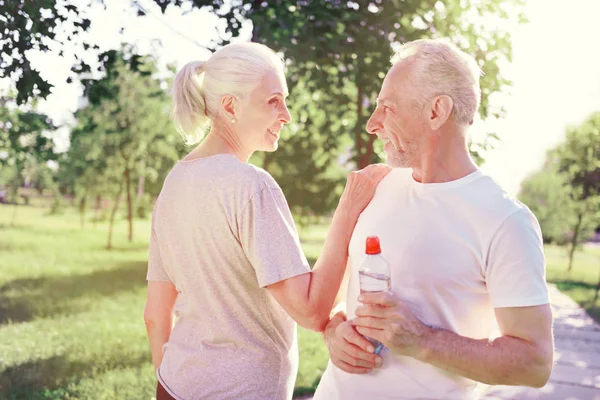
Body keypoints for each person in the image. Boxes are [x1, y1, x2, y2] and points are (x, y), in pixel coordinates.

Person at [142, 42, 390, 400]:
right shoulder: (251, 185)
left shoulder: (174, 183)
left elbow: (154, 313)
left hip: (173, 386)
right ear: (231, 107)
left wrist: (173, 378)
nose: (286, 115)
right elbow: (310, 311)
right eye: (274, 101)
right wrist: (349, 210)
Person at [314, 38, 554, 400]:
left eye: (387, 108)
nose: (371, 123)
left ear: (436, 111)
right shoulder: (375, 186)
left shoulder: (505, 220)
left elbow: (534, 363)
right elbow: (338, 295)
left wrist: (424, 341)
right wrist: (334, 332)